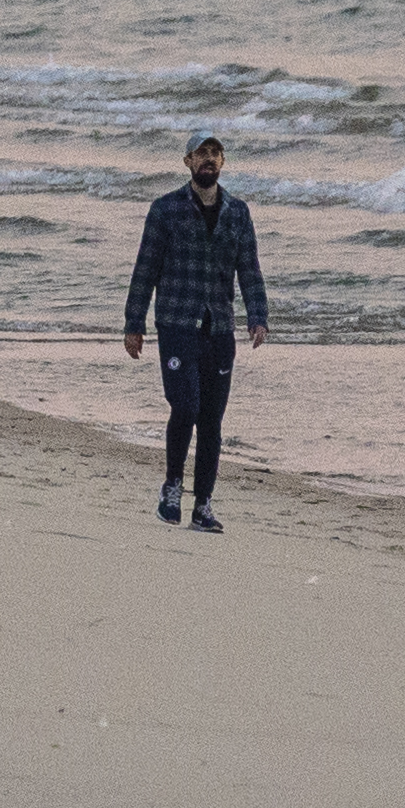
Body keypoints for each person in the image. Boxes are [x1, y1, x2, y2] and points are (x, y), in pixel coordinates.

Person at [121, 134, 268, 532]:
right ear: (187, 161)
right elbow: (145, 269)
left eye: (214, 154)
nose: (208, 160)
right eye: (201, 153)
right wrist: (133, 324)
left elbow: (249, 269)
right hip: (176, 322)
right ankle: (172, 485)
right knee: (184, 406)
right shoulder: (165, 209)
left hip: (219, 328)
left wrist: (258, 315)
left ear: (223, 161)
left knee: (212, 420)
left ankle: (202, 505)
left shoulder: (237, 212)